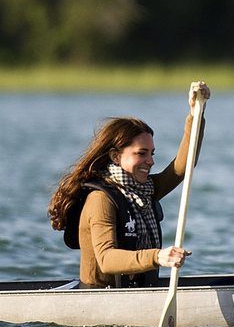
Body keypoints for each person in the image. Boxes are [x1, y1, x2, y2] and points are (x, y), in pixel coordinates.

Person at [47, 81, 210, 288]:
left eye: (151, 154)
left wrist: (196, 114)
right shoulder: (101, 200)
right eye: (141, 154)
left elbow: (183, 166)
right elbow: (106, 259)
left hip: (139, 293)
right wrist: (158, 257)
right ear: (115, 156)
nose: (150, 161)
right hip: (100, 301)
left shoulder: (145, 190)